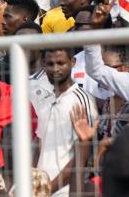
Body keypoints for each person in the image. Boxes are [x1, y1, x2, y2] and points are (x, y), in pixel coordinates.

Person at [30, 47, 97, 197]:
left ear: (72, 62)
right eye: (50, 64)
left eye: (60, 63)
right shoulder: (45, 102)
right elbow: (39, 144)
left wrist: (48, 189)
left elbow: (84, 152)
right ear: (43, 65)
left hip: (66, 191)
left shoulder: (81, 99)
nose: (55, 69)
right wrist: (32, 181)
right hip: (40, 189)